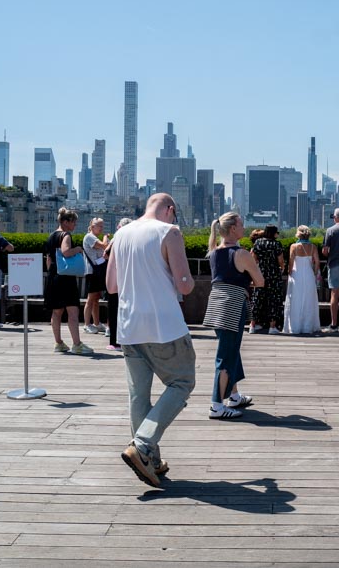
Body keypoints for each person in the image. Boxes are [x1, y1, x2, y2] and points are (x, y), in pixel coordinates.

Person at [106, 194, 195, 487]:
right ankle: (142, 445)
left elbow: (111, 285)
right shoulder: (169, 232)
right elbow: (185, 283)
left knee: (138, 395)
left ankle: (152, 461)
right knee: (181, 383)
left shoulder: (120, 233)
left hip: (129, 327)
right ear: (169, 210)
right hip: (163, 325)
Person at [203, 211, 264, 420]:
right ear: (232, 229)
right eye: (241, 224)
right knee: (225, 357)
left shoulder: (213, 252)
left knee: (231, 350)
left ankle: (234, 396)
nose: (244, 228)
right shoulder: (241, 253)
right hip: (233, 305)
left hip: (216, 304)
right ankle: (216, 405)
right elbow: (261, 281)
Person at [44, 207, 92, 355]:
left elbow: (49, 259)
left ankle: (58, 343)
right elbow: (65, 251)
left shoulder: (51, 236)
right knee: (72, 311)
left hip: (54, 276)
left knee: (57, 312)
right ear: (66, 222)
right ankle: (77, 344)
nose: (75, 225)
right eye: (73, 222)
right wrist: (77, 249)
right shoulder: (66, 235)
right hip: (65, 279)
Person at [283, 225, 321, 335]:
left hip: (296, 274)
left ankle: (294, 326)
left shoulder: (294, 246)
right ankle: (307, 327)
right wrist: (314, 272)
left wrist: (289, 272)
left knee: (296, 300)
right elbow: (317, 262)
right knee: (309, 300)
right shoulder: (313, 247)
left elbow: (291, 262)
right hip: (309, 274)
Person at [250, 225, 285, 335]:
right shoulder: (277, 244)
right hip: (273, 275)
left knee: (257, 299)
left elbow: (253, 258)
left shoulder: (258, 242)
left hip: (260, 273)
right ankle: (272, 326)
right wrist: (282, 268)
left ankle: (252, 325)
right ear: (274, 233)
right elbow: (280, 261)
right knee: (273, 300)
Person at [104, 217, 132, 351]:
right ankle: (125, 339)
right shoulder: (132, 240)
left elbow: (106, 254)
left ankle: (114, 341)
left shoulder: (117, 239)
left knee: (114, 309)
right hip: (127, 279)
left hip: (115, 278)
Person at [82, 217, 110, 336]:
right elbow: (104, 246)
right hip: (92, 271)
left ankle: (96, 323)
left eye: (102, 226)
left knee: (96, 299)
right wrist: (106, 237)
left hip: (97, 270)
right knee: (91, 298)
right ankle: (87, 324)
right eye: (99, 226)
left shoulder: (93, 238)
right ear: (92, 226)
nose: (101, 228)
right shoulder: (89, 237)